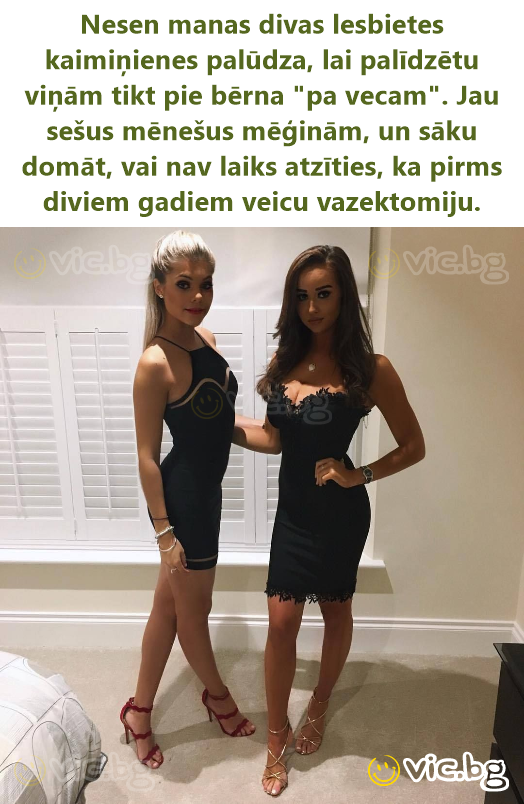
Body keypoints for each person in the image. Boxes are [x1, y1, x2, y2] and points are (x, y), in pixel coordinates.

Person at [233, 244, 425, 796]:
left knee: (336, 611)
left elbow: (413, 445)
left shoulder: (370, 369)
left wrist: (356, 474)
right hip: (292, 513)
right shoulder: (284, 363)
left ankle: (319, 703)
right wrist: (222, 424)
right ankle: (276, 736)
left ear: (343, 297)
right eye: (302, 296)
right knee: (281, 623)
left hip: (341, 516)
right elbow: (274, 439)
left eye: (323, 294)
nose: (312, 307)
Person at [119, 231, 255, 770]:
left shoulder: (208, 341)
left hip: (207, 497)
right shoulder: (155, 363)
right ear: (159, 287)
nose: (197, 296)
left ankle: (139, 711)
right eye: (183, 285)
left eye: (205, 284)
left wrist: (278, 434)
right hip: (183, 505)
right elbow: (147, 458)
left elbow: (220, 422)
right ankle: (218, 697)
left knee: (167, 609)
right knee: (194, 615)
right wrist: (164, 533)